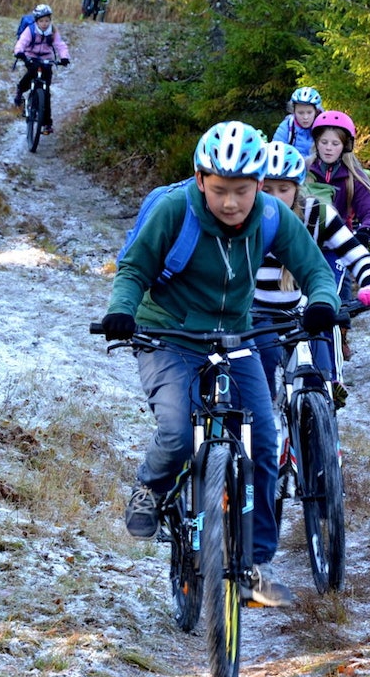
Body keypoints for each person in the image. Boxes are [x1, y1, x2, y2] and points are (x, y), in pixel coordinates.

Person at [101, 121, 340, 608]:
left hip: (236, 335)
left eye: (242, 191)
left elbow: (315, 267)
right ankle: (151, 486)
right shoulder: (175, 209)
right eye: (219, 190)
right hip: (169, 332)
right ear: (199, 179)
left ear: (258, 183)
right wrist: (121, 311)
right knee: (176, 430)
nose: (231, 203)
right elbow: (135, 269)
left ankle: (256, 561)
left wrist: (321, 301)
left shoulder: (271, 215)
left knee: (264, 441)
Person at [253, 141, 370, 404]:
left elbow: (354, 252)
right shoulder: (245, 216)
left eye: (283, 189)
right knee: (263, 365)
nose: (275, 197)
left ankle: (326, 426)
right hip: (257, 311)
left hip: (303, 309)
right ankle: (263, 420)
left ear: (297, 188)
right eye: (267, 189)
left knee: (321, 363)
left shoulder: (317, 214)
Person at [306, 110, 370, 362]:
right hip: (306, 242)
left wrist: (366, 230)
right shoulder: (303, 171)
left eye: (335, 143)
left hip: (340, 246)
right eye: (324, 142)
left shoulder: (354, 177)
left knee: (341, 292)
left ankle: (341, 334)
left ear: (345, 146)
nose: (328, 148)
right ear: (316, 142)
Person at [12, 4, 70, 134]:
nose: (44, 24)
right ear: (36, 21)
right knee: (32, 70)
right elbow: (21, 42)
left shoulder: (53, 31)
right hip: (31, 56)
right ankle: (21, 88)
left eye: (47, 21)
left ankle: (47, 123)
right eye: (41, 21)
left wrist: (64, 57)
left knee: (46, 91)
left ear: (50, 20)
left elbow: (60, 45)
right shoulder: (30, 30)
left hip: (47, 59)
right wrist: (19, 52)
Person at [272, 87, 323, 158]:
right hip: (292, 167)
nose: (305, 117)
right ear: (294, 112)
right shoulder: (287, 126)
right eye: (300, 113)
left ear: (316, 111)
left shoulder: (324, 127)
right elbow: (275, 152)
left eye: (309, 112)